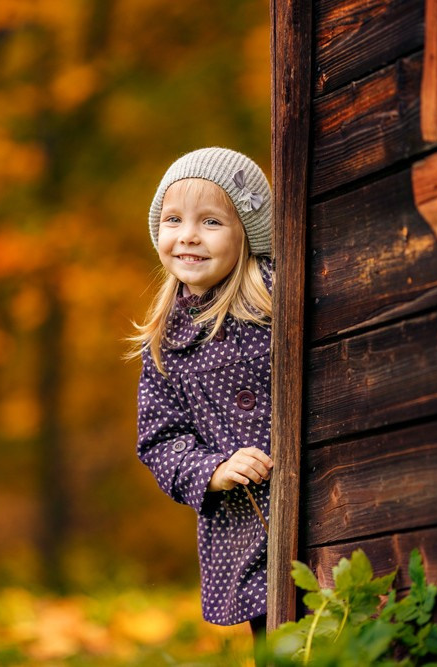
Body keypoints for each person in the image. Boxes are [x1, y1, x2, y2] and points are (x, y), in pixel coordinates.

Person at [127, 147, 274, 645]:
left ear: (247, 233)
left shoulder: (279, 297)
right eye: (173, 219)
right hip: (244, 523)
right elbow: (159, 438)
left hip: (319, 501)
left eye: (210, 221)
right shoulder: (165, 338)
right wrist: (211, 470)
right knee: (277, 637)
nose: (187, 234)